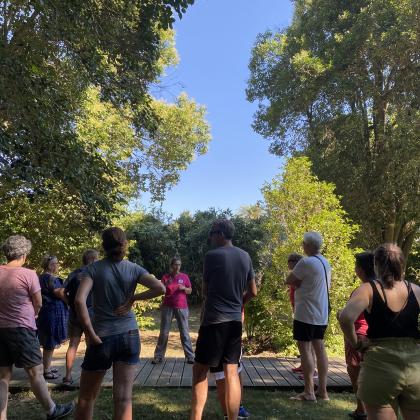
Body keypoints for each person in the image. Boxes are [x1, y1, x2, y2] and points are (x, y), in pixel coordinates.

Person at [74, 227, 166, 420]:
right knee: (124, 399)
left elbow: (79, 300)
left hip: (101, 337)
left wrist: (90, 333)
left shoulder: (93, 269)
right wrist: (134, 298)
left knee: (86, 398)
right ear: (125, 244)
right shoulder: (134, 268)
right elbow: (160, 288)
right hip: (130, 335)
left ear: (104, 246)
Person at [339, 244, 420, 420]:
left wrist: (356, 343)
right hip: (415, 368)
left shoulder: (368, 289)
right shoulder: (416, 290)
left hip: (379, 366)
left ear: (377, 264)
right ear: (402, 265)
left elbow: (345, 318)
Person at [0, 235, 74, 419]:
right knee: (36, 371)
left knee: (3, 376)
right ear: (24, 254)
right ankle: (52, 410)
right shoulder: (28, 274)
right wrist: (31, 316)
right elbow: (38, 303)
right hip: (22, 329)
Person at [190, 219, 257, 420]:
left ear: (220, 233)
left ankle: (195, 418)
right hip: (235, 323)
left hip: (214, 322)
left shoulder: (212, 256)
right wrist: (239, 303)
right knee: (231, 371)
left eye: (211, 233)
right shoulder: (245, 256)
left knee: (200, 371)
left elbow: (205, 292)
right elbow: (253, 291)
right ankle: (233, 418)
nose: (210, 238)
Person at [286, 231, 331, 402]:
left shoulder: (306, 262)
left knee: (305, 351)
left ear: (309, 245)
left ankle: (309, 392)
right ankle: (323, 392)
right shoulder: (325, 262)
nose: (302, 246)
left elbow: (289, 279)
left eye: (303, 243)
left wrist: (297, 282)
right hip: (321, 313)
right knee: (320, 350)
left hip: (306, 313)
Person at [337, 252, 374, 419]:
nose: (355, 268)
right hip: (372, 336)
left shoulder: (362, 290)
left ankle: (362, 409)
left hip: (358, 335)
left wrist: (340, 314)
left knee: (356, 373)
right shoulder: (379, 288)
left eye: (356, 265)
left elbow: (348, 316)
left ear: (361, 269)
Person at [62, 249, 99, 385]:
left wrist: (70, 303)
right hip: (90, 312)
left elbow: (62, 292)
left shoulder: (74, 273)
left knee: (73, 345)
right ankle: (89, 377)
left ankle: (68, 377)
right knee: (91, 345)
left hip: (75, 313)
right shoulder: (95, 274)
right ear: (93, 260)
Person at [152, 257, 195, 364]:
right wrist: (166, 285)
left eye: (179, 264)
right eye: (175, 264)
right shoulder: (166, 277)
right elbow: (160, 290)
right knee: (164, 333)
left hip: (181, 307)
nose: (177, 266)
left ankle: (190, 356)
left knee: (184, 332)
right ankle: (158, 356)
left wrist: (184, 289)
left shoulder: (184, 277)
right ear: (171, 265)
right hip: (167, 307)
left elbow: (190, 290)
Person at [36, 255, 69, 380]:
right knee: (49, 342)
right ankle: (47, 371)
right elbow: (59, 293)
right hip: (52, 314)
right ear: (49, 265)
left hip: (47, 312)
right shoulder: (49, 278)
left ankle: (47, 367)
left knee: (49, 342)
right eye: (55, 263)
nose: (57, 265)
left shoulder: (41, 277)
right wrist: (70, 301)